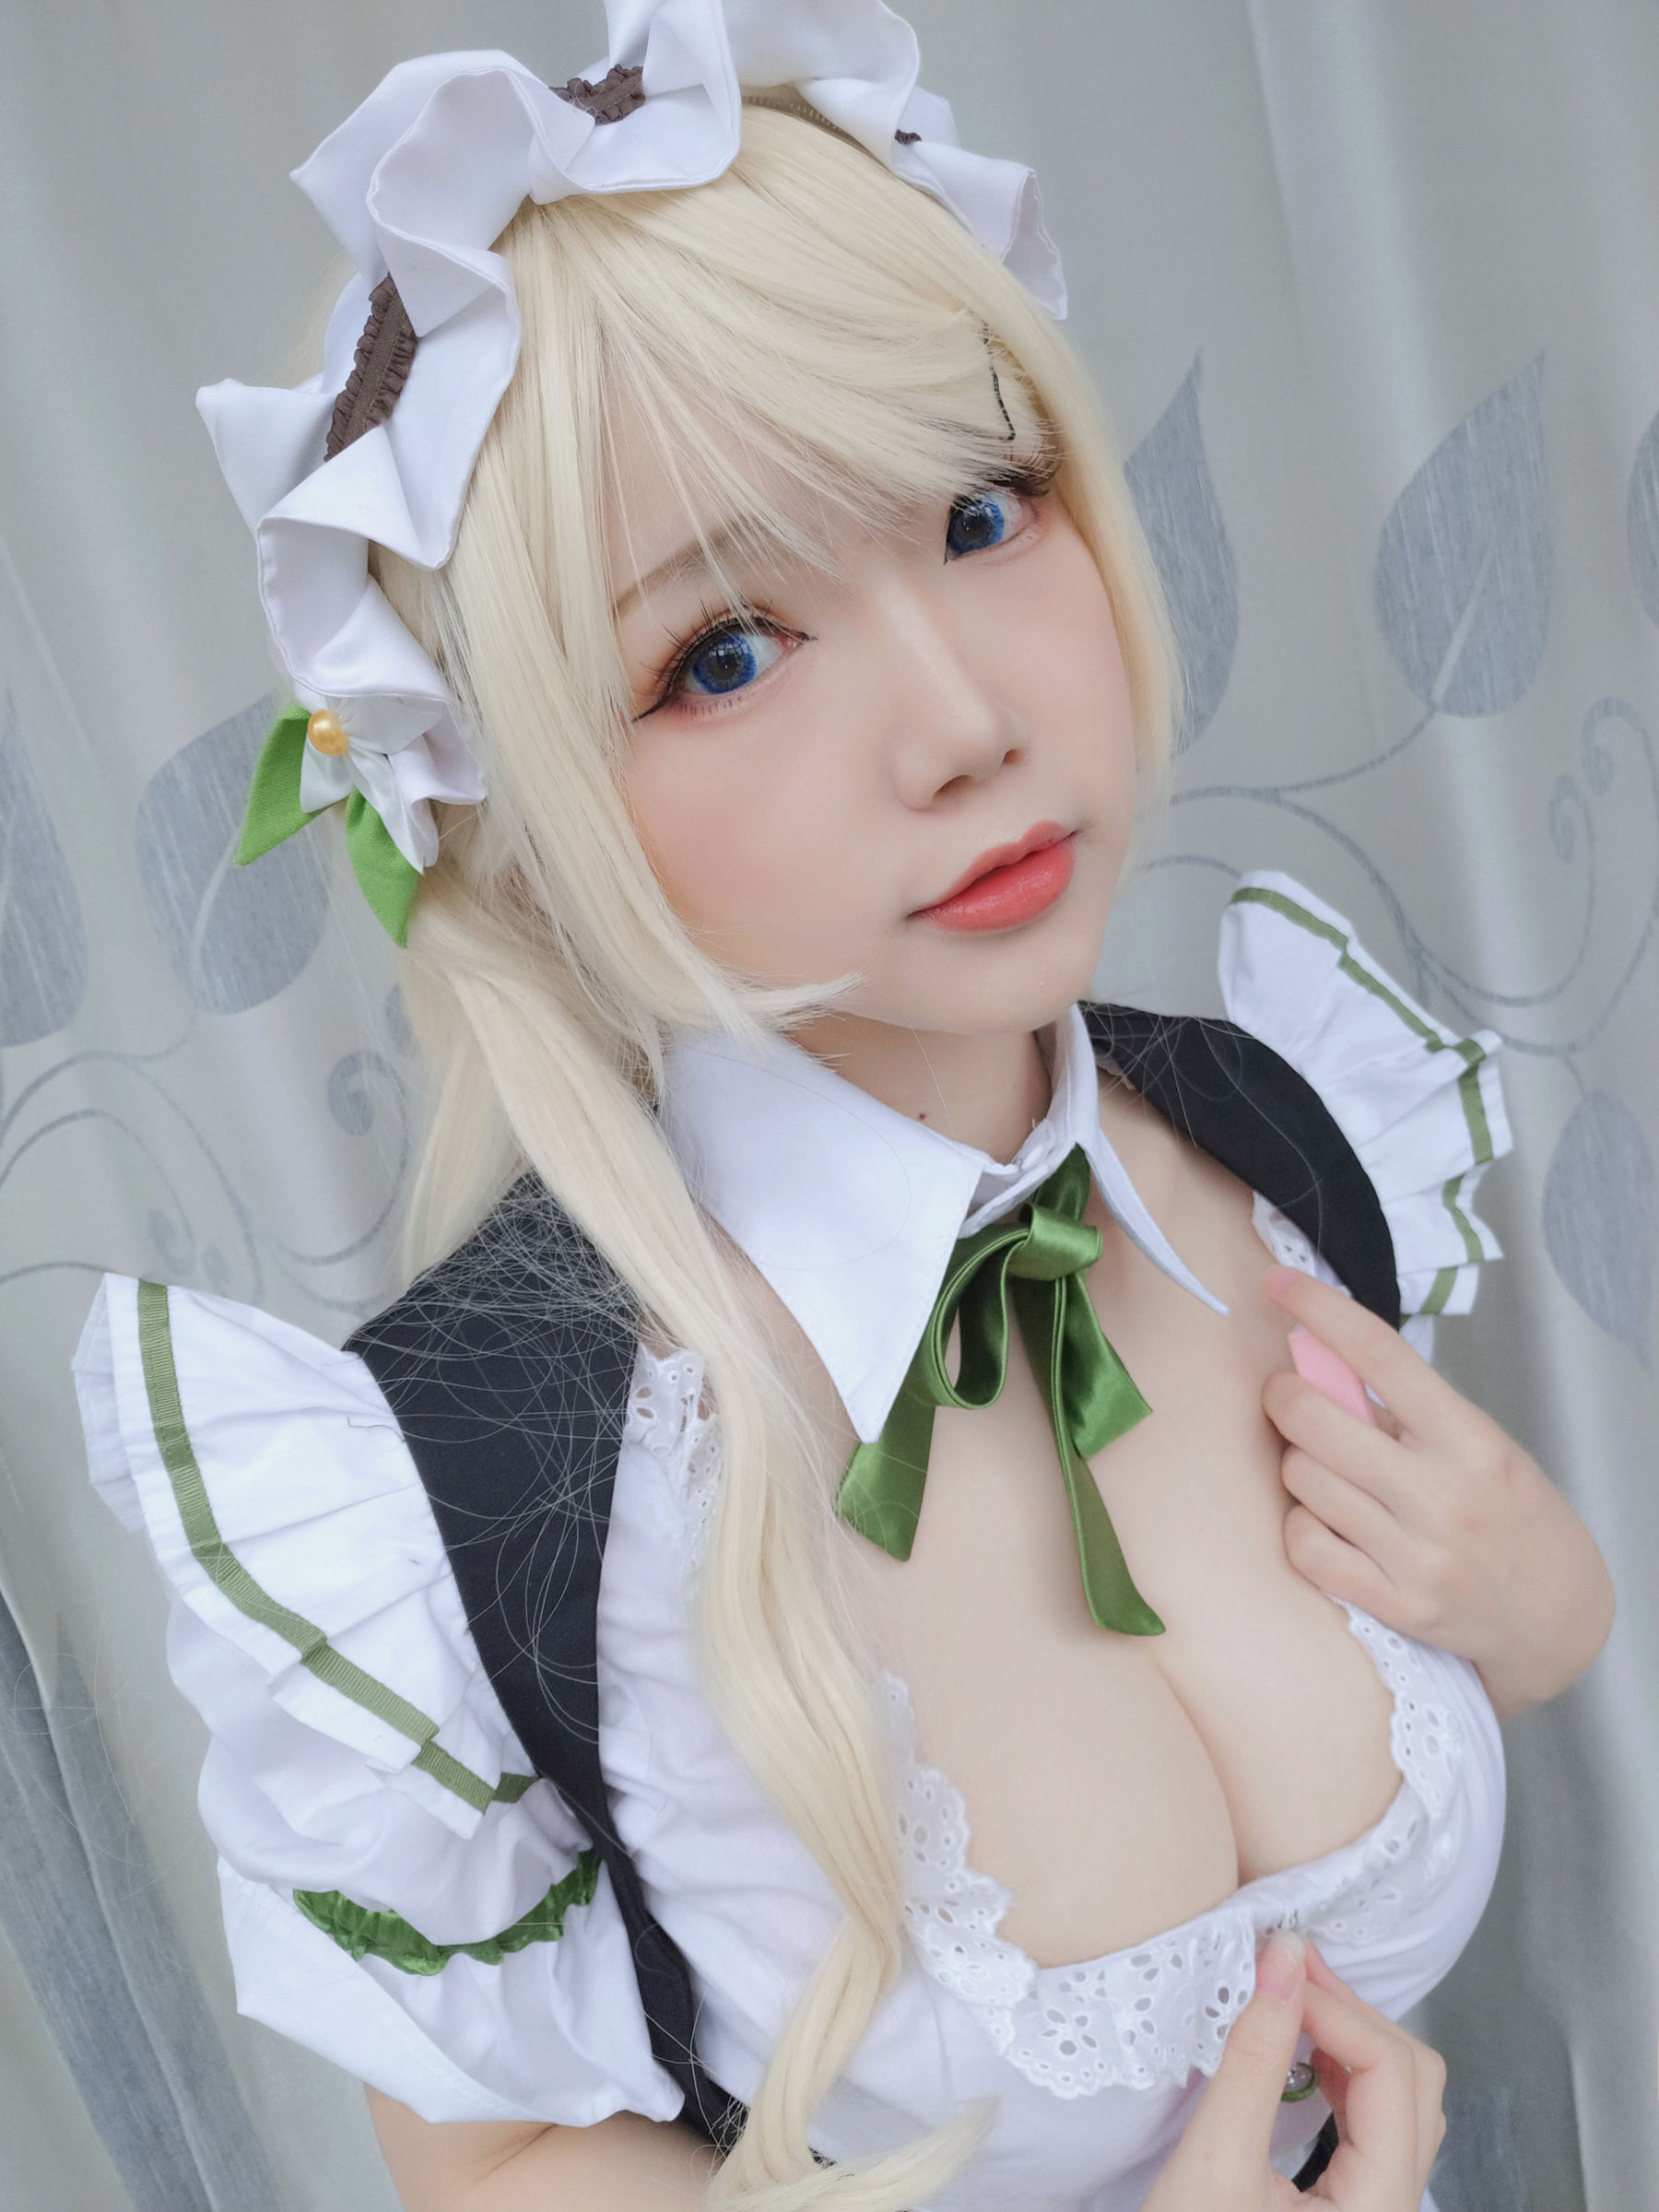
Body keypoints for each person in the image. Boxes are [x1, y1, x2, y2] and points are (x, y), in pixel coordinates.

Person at [72, 10, 1612, 2210]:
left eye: (984, 511)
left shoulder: (1273, 1141)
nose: (968, 719)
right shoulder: (477, 1496)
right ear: (517, 808)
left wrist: (1549, 1614)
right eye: (724, 653)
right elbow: (499, 2168)